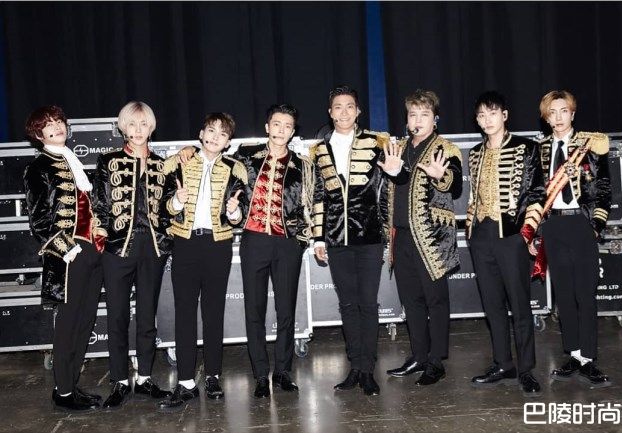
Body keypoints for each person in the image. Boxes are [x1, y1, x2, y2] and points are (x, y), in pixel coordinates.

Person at [180, 104, 314, 397]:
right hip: (254, 242)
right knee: (254, 310)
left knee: (286, 310)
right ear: (267, 127)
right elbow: (214, 155)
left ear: (293, 131)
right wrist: (189, 149)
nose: (281, 130)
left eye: (287, 126)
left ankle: (283, 371)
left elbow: (312, 203)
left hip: (287, 243)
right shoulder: (245, 156)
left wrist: (304, 241)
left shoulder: (303, 165)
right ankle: (260, 375)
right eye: (276, 124)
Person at [157, 113, 248, 409]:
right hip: (185, 243)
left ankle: (212, 376)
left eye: (222, 134)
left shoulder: (235, 169)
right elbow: (164, 208)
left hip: (218, 244)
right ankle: (185, 382)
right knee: (184, 311)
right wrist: (177, 201)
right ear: (200, 133)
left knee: (213, 312)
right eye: (211, 130)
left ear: (228, 142)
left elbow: (239, 216)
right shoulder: (177, 164)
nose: (214, 137)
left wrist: (233, 211)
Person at [23, 106, 105, 411]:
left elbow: (88, 207)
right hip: (69, 256)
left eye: (59, 121)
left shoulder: (73, 161)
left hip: (92, 250)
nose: (57, 127)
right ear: (38, 133)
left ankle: (72, 385)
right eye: (49, 124)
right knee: (68, 324)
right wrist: (67, 250)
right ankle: (63, 391)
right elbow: (39, 221)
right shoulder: (38, 168)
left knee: (85, 321)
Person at [93, 101, 174, 408]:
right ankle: (118, 380)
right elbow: (99, 203)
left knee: (146, 317)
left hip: (152, 248)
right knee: (116, 316)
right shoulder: (108, 161)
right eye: (131, 124)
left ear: (151, 127)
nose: (137, 130)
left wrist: (166, 236)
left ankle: (145, 378)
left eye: (143, 124)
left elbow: (168, 209)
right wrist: (103, 239)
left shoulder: (162, 165)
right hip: (117, 249)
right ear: (122, 128)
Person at [311, 85, 391, 396]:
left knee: (367, 303)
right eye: (338, 107)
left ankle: (368, 369)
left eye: (349, 106)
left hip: (370, 236)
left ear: (358, 111)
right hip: (336, 237)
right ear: (330, 113)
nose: (343, 112)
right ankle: (355, 365)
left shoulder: (378, 143)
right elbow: (319, 196)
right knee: (347, 304)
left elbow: (394, 181)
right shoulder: (319, 150)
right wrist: (318, 238)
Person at [465, 91, 545, 397]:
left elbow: (536, 193)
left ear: (505, 115)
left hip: (511, 236)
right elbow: (474, 196)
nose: (487, 120)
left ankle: (526, 369)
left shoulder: (527, 148)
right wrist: (471, 231)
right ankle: (503, 364)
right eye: (481, 115)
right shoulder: (475, 152)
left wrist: (528, 234)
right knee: (492, 305)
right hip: (481, 237)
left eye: (492, 113)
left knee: (520, 305)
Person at [383, 89, 462, 386]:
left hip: (431, 237)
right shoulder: (398, 148)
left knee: (436, 300)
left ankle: (436, 360)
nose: (417, 120)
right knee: (411, 300)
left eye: (424, 114)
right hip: (401, 236)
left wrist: (442, 176)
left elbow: (455, 185)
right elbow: (397, 181)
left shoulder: (446, 149)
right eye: (412, 114)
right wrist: (394, 173)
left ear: (435, 119)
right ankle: (418, 355)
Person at [535, 90, 612, 388]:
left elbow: (604, 188)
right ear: (546, 118)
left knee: (585, 294)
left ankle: (588, 359)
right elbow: (535, 193)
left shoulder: (591, 145)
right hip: (553, 226)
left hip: (581, 224)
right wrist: (535, 230)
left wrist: (595, 226)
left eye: (563, 111)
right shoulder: (539, 150)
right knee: (564, 294)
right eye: (552, 112)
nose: (558, 117)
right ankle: (575, 354)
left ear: (573, 113)